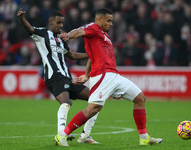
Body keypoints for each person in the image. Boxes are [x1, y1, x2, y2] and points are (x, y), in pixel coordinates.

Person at [59, 8, 163, 147]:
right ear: (99, 19)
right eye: (108, 21)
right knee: (93, 109)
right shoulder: (93, 28)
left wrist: (86, 75)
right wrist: (68, 36)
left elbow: (92, 58)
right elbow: (78, 31)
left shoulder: (104, 35)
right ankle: (62, 135)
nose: (111, 24)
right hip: (103, 76)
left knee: (140, 98)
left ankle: (144, 138)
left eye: (112, 21)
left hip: (114, 75)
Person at [17, 8, 99, 146]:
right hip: (54, 77)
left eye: (62, 23)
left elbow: (72, 55)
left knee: (96, 100)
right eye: (58, 23)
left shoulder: (61, 40)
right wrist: (22, 19)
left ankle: (85, 135)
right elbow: (30, 29)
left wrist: (90, 55)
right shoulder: (42, 34)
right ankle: (62, 135)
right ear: (51, 22)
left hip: (67, 77)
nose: (61, 25)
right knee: (66, 102)